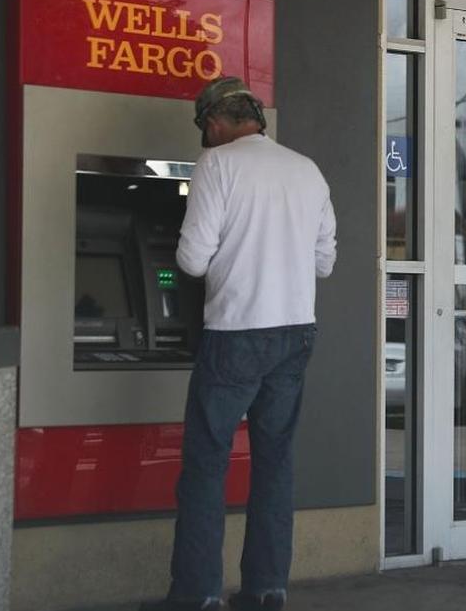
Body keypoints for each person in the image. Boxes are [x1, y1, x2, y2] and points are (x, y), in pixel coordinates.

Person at [142, 77, 337, 611]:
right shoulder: (307, 170)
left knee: (207, 464)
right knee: (275, 463)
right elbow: (325, 262)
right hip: (296, 332)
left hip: (236, 333)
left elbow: (191, 260)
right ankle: (266, 590)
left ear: (214, 123)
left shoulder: (218, 164)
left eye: (207, 129)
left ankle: (198, 595)